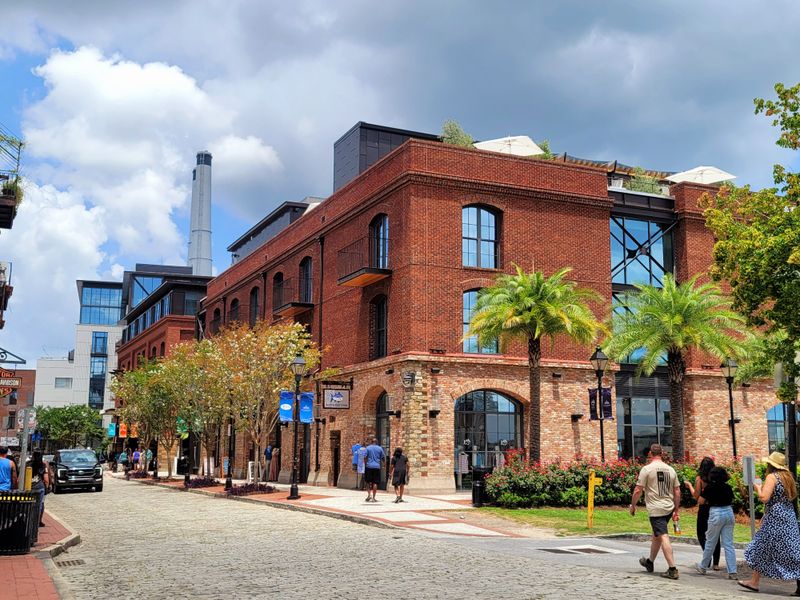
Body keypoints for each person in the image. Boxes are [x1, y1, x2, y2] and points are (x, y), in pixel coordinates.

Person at [739, 452, 800, 593]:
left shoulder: (772, 477)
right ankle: (754, 581)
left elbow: (764, 497)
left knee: (760, 546)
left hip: (775, 519)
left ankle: (754, 582)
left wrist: (757, 488)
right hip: (788, 517)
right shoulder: (787, 477)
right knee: (791, 550)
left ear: (770, 465)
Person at [630, 443, 681, 580]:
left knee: (663, 535)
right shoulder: (671, 470)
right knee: (656, 534)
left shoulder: (646, 469)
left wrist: (633, 505)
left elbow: (638, 490)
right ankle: (650, 562)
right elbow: (677, 490)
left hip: (656, 508)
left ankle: (672, 568)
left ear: (650, 454)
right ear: (662, 454)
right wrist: (676, 509)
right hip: (668, 507)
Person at [693, 466, 737, 579]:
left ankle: (703, 566)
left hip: (716, 512)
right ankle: (732, 571)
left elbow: (700, 501)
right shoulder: (728, 487)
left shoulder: (710, 487)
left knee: (710, 541)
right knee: (728, 544)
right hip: (729, 512)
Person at [684, 457, 721, 571]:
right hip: (715, 507)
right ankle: (716, 564)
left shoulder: (700, 479)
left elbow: (696, 496)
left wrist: (689, 486)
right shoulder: (717, 479)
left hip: (704, 509)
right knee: (715, 536)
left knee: (701, 534)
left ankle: (707, 557)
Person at [29, 451, 49, 527]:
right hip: (39, 487)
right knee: (39, 505)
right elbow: (46, 479)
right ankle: (37, 522)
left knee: (29, 504)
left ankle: (30, 520)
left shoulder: (28, 464)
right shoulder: (43, 465)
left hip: (29, 486)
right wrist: (47, 486)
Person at [363, 437, 385, 502]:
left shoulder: (368, 448)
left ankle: (369, 494)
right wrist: (384, 464)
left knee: (367, 481)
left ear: (371, 442)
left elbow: (365, 457)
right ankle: (374, 497)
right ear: (377, 442)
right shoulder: (380, 448)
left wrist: (365, 464)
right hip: (376, 467)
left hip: (368, 466)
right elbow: (383, 457)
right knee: (375, 482)